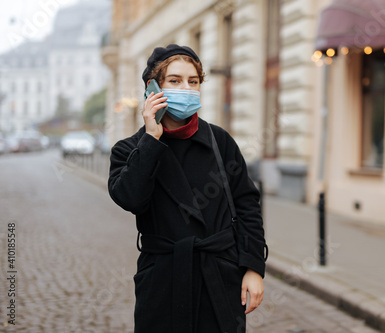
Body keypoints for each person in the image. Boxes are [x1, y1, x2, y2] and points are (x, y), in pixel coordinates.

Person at [108, 44, 267, 333]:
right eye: (175, 81)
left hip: (219, 277)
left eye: (193, 82)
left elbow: (247, 206)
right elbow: (130, 199)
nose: (187, 88)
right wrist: (151, 141)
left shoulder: (220, 142)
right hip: (162, 281)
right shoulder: (129, 149)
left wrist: (253, 267)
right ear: (152, 87)